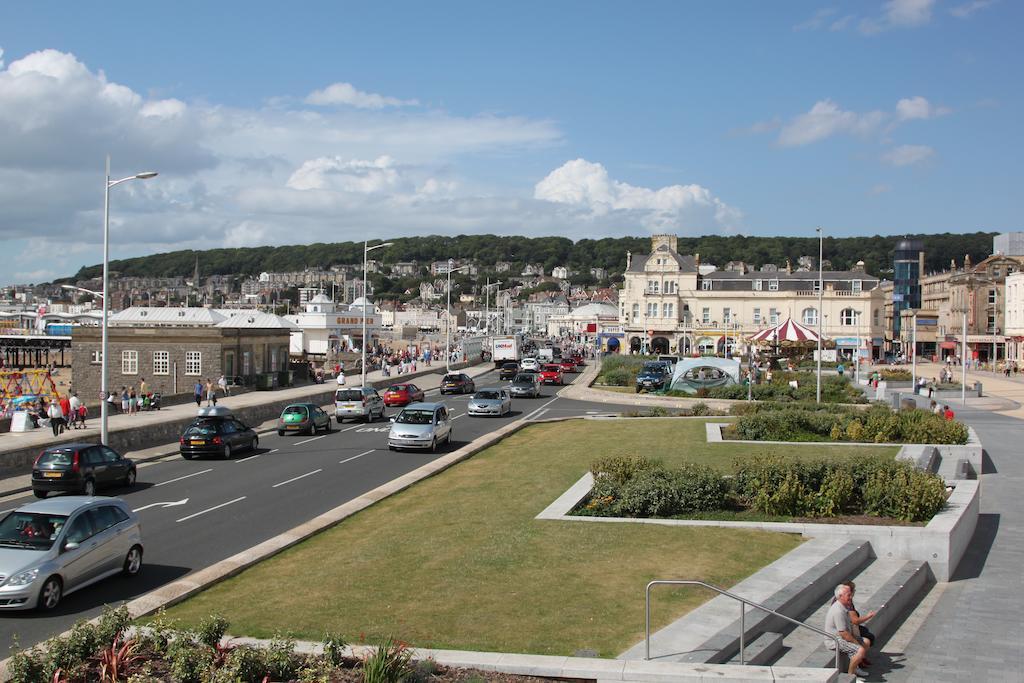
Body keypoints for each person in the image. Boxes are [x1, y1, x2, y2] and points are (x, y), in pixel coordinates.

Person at [824, 584, 869, 678]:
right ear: (840, 596)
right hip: (834, 640)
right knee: (860, 650)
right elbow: (843, 634)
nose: (851, 597)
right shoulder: (838, 611)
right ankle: (850, 676)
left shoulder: (843, 606)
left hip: (842, 637)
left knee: (866, 641)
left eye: (850, 594)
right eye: (848, 595)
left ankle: (856, 667)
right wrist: (856, 643)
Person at [841, 580, 877, 666]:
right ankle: (858, 661)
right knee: (867, 639)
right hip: (846, 630)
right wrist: (869, 616)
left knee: (866, 632)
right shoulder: (847, 602)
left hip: (849, 627)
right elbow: (855, 620)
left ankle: (862, 657)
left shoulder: (843, 599)